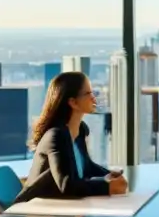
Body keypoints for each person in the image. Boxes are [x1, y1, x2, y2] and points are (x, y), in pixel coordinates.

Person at [15, 72, 127, 202]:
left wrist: (109, 175)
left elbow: (87, 166)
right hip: (32, 211)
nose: (93, 98)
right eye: (88, 93)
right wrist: (108, 187)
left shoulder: (80, 130)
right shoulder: (56, 136)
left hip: (58, 208)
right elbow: (67, 185)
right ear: (73, 102)